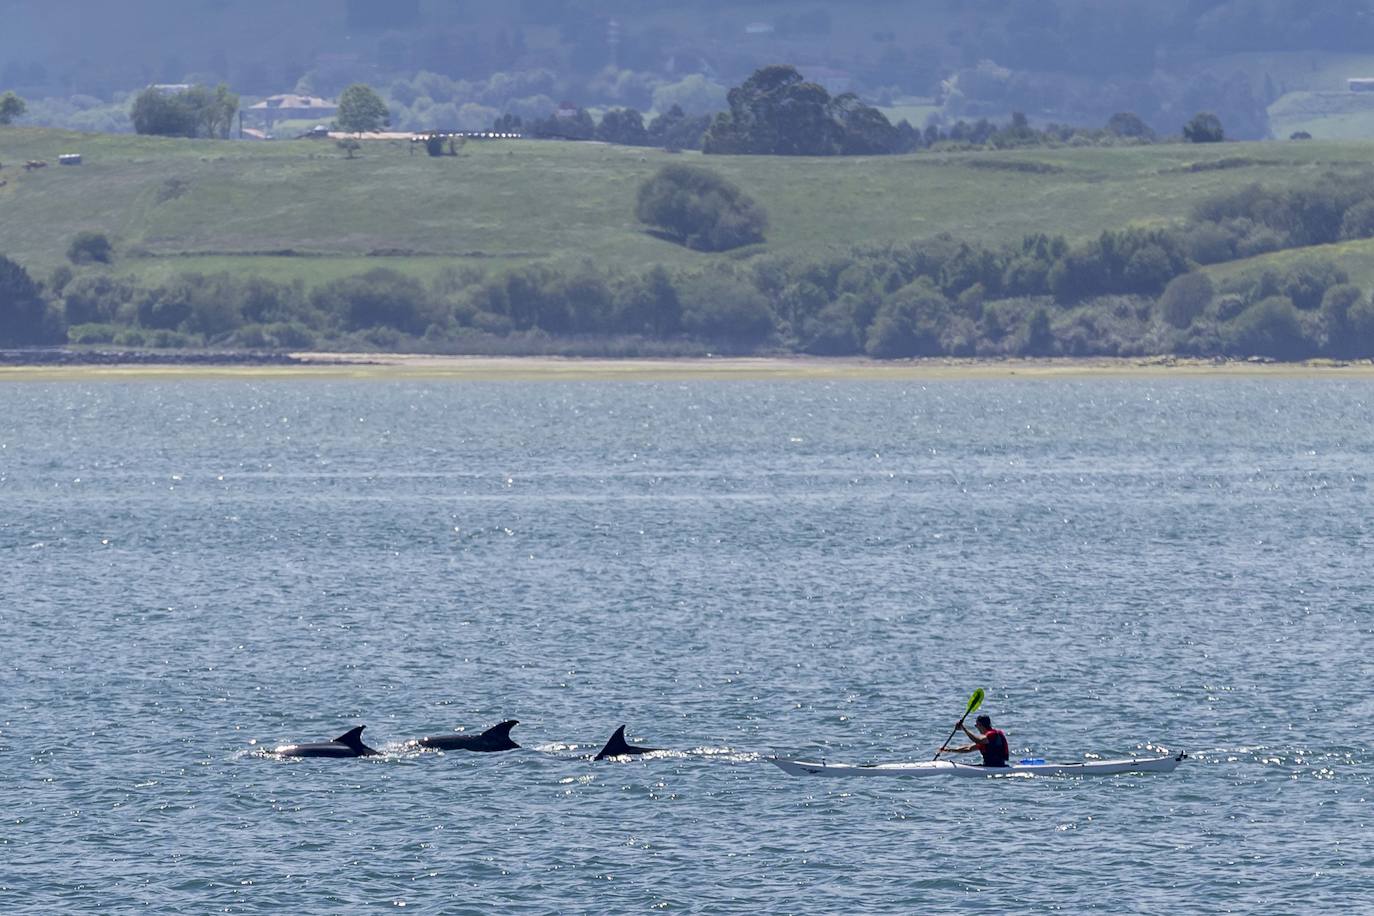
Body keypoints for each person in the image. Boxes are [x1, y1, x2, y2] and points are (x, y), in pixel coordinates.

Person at [941, 714, 1009, 767]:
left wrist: (964, 728)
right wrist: (950, 750)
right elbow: (968, 748)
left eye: (976, 725)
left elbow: (977, 740)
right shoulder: (985, 739)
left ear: (980, 725)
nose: (976, 727)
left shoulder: (992, 735)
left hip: (997, 767)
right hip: (989, 766)